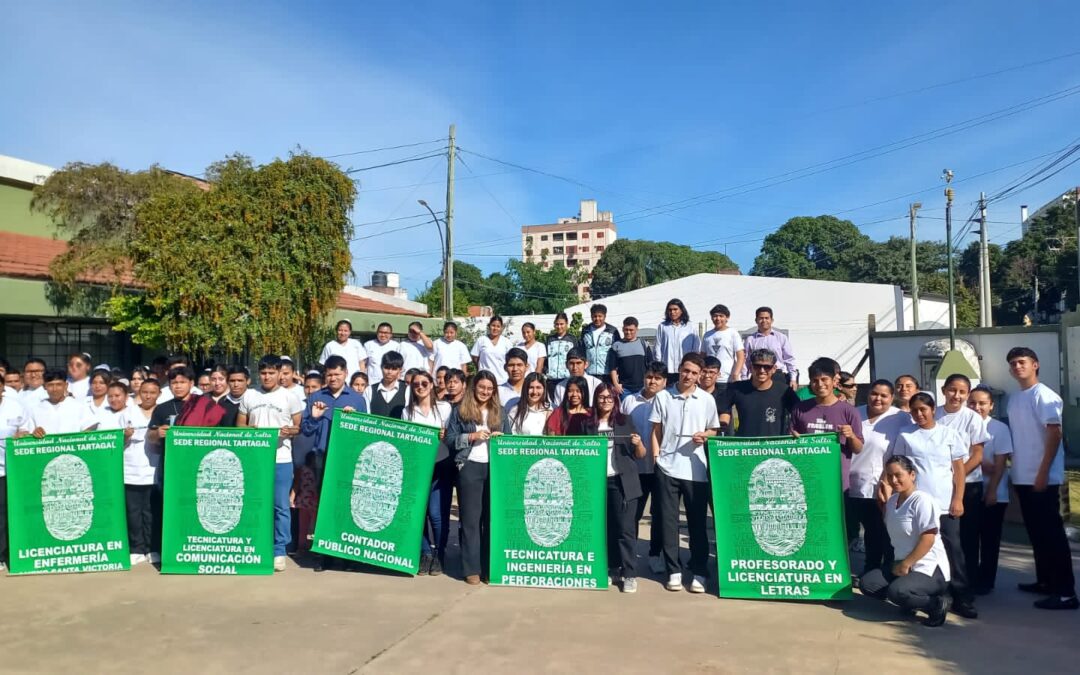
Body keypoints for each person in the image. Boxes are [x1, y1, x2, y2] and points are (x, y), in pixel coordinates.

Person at [882, 392, 976, 619]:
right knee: (916, 547)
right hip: (917, 505)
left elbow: (959, 470)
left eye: (923, 409)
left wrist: (958, 498)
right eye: (914, 410)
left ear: (933, 409)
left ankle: (962, 598)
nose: (919, 414)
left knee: (953, 550)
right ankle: (915, 592)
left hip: (944, 504)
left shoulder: (949, 434)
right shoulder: (906, 434)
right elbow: (899, 467)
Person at [1005, 347, 1078, 610]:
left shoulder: (1045, 396)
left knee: (1052, 535)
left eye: (1021, 362)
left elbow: (1054, 435)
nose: (1017, 367)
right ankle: (1045, 581)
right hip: (1023, 476)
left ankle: (1066, 593)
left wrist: (1043, 473)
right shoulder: (1014, 399)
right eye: (1012, 363)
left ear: (1035, 364)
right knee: (1036, 533)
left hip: (1043, 478)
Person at [649, 353, 719, 593]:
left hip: (696, 469)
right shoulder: (663, 396)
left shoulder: (707, 399)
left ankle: (700, 571)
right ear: (679, 370)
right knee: (668, 523)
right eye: (685, 370)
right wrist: (657, 458)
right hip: (667, 468)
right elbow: (655, 431)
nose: (688, 376)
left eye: (693, 372)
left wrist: (705, 435)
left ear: (700, 375)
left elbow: (714, 429)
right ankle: (674, 570)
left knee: (697, 523)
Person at [860, 455, 951, 628]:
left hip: (928, 568)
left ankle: (935, 605)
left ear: (912, 475)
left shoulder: (922, 500)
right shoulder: (893, 501)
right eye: (889, 475)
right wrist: (885, 502)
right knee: (868, 584)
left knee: (897, 592)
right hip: (902, 564)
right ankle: (911, 601)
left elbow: (928, 538)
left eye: (898, 475)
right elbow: (893, 526)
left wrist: (906, 564)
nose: (894, 480)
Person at [301, 355, 368, 572]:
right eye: (329, 374)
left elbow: (364, 432)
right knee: (323, 506)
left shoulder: (358, 399)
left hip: (347, 460)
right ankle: (323, 554)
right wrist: (314, 417)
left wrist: (354, 419)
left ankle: (346, 554)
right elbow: (306, 430)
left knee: (345, 505)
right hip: (321, 456)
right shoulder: (316, 396)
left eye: (337, 374)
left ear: (345, 374)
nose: (333, 378)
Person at [239, 355, 304, 573]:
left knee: (280, 506)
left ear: (279, 373)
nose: (267, 377)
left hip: (281, 459)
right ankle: (256, 544)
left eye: (271, 373)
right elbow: (240, 426)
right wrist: (252, 432)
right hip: (255, 459)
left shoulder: (290, 397)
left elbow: (298, 427)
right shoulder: (249, 395)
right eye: (263, 373)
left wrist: (290, 431)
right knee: (254, 502)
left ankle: (279, 550)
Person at [445, 371, 510, 585]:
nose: (485, 392)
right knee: (471, 520)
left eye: (489, 389)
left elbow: (510, 441)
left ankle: (489, 566)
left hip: (495, 468)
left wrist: (503, 438)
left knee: (491, 520)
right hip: (469, 466)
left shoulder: (500, 411)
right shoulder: (460, 411)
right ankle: (471, 567)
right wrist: (471, 436)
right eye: (482, 387)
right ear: (474, 388)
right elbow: (450, 439)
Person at [936, 373, 989, 603]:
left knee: (966, 540)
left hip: (968, 486)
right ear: (944, 391)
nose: (956, 395)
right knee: (945, 539)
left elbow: (977, 454)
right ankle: (944, 585)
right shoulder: (934, 414)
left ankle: (965, 590)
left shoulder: (972, 418)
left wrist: (956, 476)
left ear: (967, 395)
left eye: (962, 392)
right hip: (938, 487)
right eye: (952, 390)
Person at [587, 383, 644, 593]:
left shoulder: (625, 421)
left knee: (625, 530)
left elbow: (640, 454)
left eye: (609, 397)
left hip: (622, 482)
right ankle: (612, 567)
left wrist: (638, 443)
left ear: (616, 400)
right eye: (601, 397)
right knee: (607, 528)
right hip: (598, 483)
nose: (605, 401)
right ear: (596, 399)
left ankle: (629, 573)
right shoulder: (588, 424)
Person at [851, 380, 906, 575]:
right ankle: (866, 571)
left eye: (884, 396)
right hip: (850, 484)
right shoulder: (854, 413)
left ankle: (880, 573)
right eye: (875, 394)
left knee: (880, 533)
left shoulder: (901, 417)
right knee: (853, 533)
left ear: (892, 398)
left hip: (882, 486)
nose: (878, 399)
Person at [790, 357, 864, 501]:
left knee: (840, 523)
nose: (820, 384)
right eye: (815, 380)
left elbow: (858, 448)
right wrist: (793, 439)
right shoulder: (800, 409)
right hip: (808, 480)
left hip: (838, 483)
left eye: (824, 379)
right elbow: (791, 443)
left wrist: (851, 436)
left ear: (834, 381)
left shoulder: (849, 411)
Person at [401, 370, 453, 576]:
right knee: (419, 514)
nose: (420, 387)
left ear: (432, 385)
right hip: (418, 468)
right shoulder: (408, 412)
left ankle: (440, 553)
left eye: (424, 383)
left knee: (436, 514)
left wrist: (445, 435)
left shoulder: (445, 408)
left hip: (440, 466)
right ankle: (425, 553)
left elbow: (451, 436)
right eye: (416, 385)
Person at [621, 361, 667, 575]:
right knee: (632, 516)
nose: (652, 381)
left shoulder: (668, 401)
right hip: (635, 468)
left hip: (661, 468)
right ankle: (628, 557)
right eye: (649, 376)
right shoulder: (629, 401)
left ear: (664, 381)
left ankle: (655, 554)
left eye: (658, 378)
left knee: (659, 515)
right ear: (643, 378)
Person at [967, 385, 1012, 594]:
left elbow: (1000, 464)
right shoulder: (962, 425)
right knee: (969, 537)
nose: (977, 407)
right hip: (968, 492)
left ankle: (986, 580)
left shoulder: (999, 429)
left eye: (982, 403)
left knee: (989, 539)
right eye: (973, 403)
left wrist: (992, 490)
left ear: (991, 406)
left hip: (993, 492)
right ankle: (970, 577)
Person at [717, 348, 800, 437]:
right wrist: (724, 418)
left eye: (767, 367)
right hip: (745, 446)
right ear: (750, 367)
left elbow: (801, 415)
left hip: (776, 447)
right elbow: (718, 408)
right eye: (757, 366)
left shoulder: (785, 391)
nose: (762, 370)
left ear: (774, 369)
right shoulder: (736, 388)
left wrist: (794, 428)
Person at [18, 369, 99, 436]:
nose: (55, 389)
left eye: (59, 384)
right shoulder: (35, 409)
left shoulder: (79, 406)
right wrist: (34, 433)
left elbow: (90, 428)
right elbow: (26, 433)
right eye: (50, 385)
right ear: (44, 387)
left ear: (66, 385)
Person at [0, 382, 28, 570]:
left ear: (2, 387)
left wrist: (22, 435)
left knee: (4, 514)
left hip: (8, 471)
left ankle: (3, 554)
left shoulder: (15, 406)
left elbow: (27, 431)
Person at [741, 307, 797, 387]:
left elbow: (789, 359)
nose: (764, 321)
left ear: (772, 320)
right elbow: (746, 361)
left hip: (777, 375)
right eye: (761, 318)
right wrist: (744, 378)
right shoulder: (750, 340)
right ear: (756, 320)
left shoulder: (781, 338)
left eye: (767, 318)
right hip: (757, 374)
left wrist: (793, 378)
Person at [700, 304, 745, 391]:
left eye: (721, 316)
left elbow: (741, 356)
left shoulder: (733, 333)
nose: (718, 319)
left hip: (727, 378)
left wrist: (736, 374)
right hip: (709, 378)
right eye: (715, 316)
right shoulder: (707, 335)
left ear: (727, 318)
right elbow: (702, 356)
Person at [654, 299, 698, 386]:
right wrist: (659, 366)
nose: (672, 312)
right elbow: (658, 346)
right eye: (670, 310)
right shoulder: (662, 326)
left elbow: (696, 347)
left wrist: (693, 364)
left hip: (685, 368)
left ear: (681, 310)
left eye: (675, 309)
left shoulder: (690, 326)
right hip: (667, 368)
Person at [607, 316, 653, 400]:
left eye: (631, 330)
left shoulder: (644, 344)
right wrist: (616, 384)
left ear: (637, 330)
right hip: (625, 389)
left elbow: (651, 366)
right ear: (623, 329)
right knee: (625, 413)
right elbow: (612, 368)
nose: (628, 332)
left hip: (642, 387)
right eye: (626, 329)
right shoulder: (616, 346)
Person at [582, 304, 620, 383]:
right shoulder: (585, 331)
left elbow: (618, 352)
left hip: (608, 375)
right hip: (590, 373)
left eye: (600, 316)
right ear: (591, 316)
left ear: (605, 316)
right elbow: (582, 351)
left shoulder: (613, 331)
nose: (597, 319)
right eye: (594, 316)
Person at [367, 351, 409, 419]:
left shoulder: (407, 390)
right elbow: (365, 414)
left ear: (400, 370)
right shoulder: (369, 390)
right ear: (381, 367)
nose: (389, 372)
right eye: (386, 368)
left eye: (394, 369)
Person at [471, 316, 512, 385]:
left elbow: (511, 360)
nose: (495, 328)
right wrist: (481, 368)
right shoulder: (481, 340)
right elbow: (475, 357)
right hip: (484, 379)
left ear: (502, 328)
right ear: (489, 326)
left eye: (498, 326)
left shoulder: (506, 342)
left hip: (502, 380)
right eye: (493, 325)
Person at [544, 312, 581, 389]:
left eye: (561, 324)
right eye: (557, 324)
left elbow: (577, 358)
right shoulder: (549, 339)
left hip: (567, 378)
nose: (559, 326)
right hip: (551, 379)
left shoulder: (572, 339)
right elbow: (545, 358)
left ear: (566, 324)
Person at [497, 348, 529, 412]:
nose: (515, 369)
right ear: (505, 367)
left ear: (526, 367)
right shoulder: (498, 391)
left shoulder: (534, 390)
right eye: (511, 365)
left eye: (519, 365)